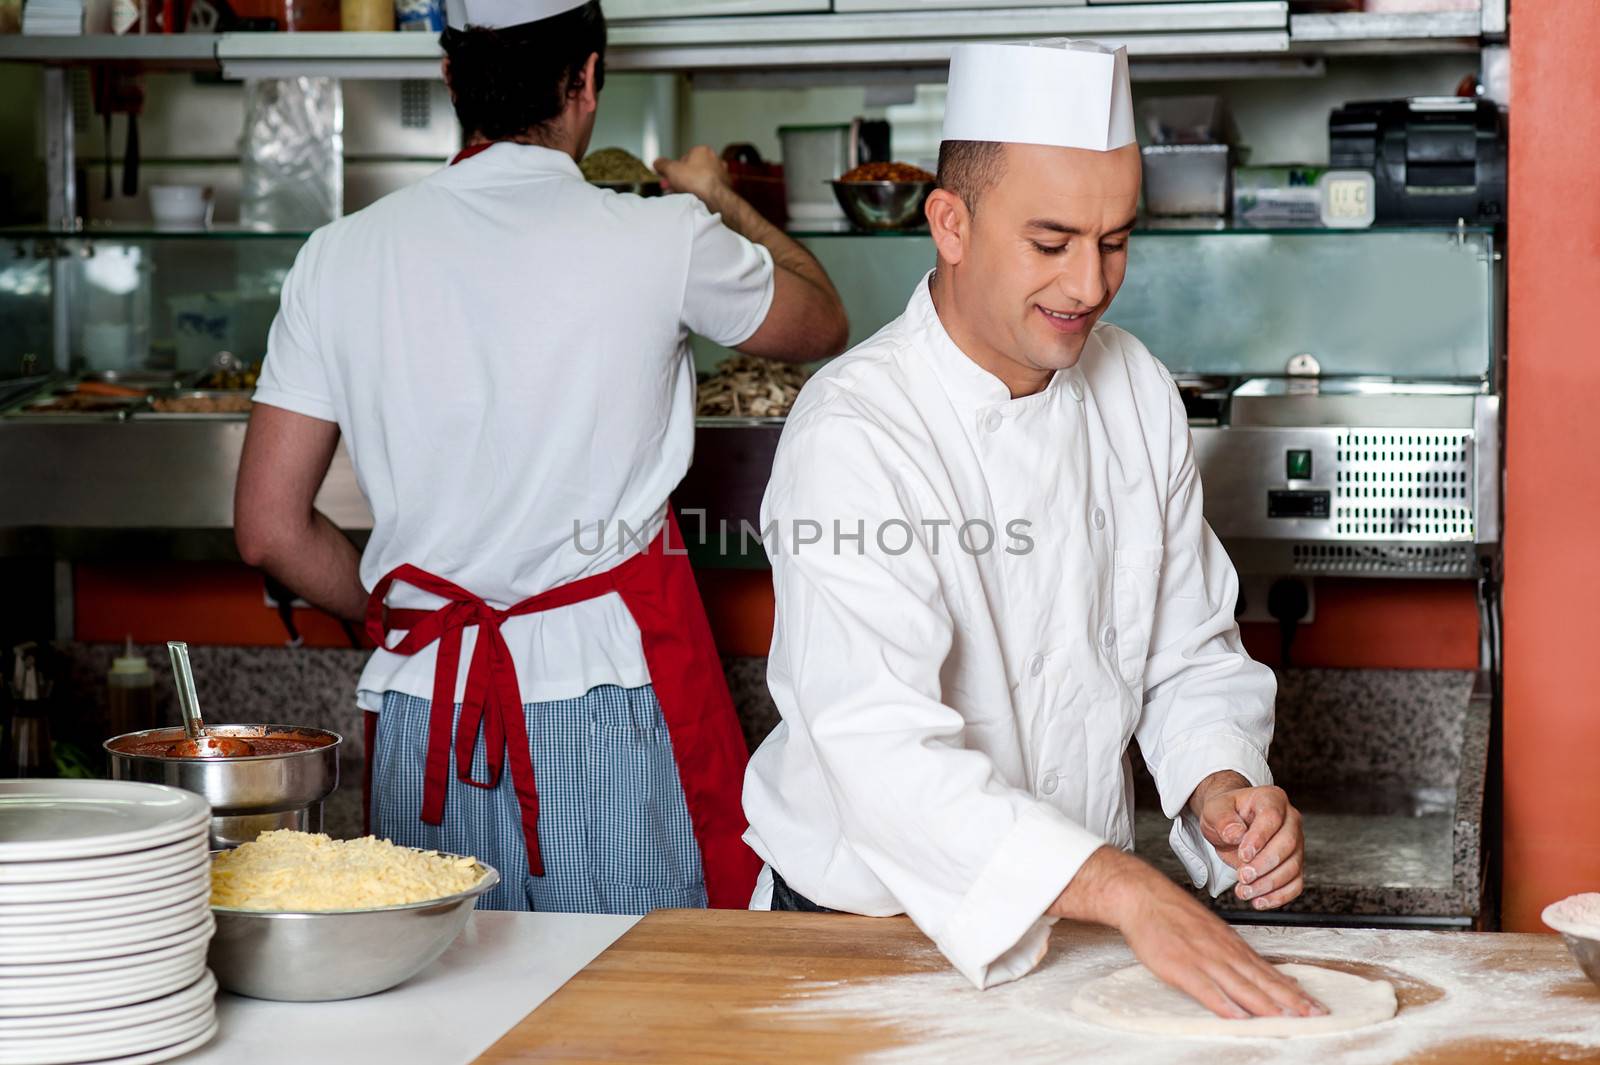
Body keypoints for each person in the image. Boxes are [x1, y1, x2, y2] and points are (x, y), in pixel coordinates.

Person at [743, 39, 1321, 1019]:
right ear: (950, 223)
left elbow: (1186, 653)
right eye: (1051, 243)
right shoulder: (858, 431)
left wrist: (1218, 784)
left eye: (1116, 240)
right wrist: (1130, 890)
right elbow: (881, 753)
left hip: (1076, 926)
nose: (1090, 285)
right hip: (867, 936)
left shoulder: (1131, 385)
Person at [234, 0, 848, 914]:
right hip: (604, 698)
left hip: (422, 706)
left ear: (450, 79)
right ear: (587, 79)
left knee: (442, 1026)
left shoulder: (337, 255)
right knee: (623, 1021)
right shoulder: (659, 237)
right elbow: (823, 320)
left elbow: (268, 531)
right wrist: (713, 194)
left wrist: (406, 613)